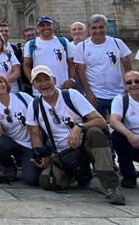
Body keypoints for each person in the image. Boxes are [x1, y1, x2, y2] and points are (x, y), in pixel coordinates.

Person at [26, 65, 126, 205]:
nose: (44, 84)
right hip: (62, 151)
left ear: (54, 80)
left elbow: (101, 121)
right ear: (34, 85)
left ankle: (111, 186)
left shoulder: (71, 95)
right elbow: (35, 134)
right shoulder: (34, 105)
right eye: (39, 81)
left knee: (95, 133)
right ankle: (78, 173)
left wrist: (79, 127)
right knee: (47, 182)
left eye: (46, 79)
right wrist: (41, 154)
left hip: (85, 145)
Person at [73, 14, 132, 118]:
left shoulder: (117, 43)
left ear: (106, 28)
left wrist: (128, 87)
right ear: (88, 30)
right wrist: (88, 92)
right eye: (94, 28)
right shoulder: (81, 47)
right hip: (96, 95)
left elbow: (128, 68)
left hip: (119, 93)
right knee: (99, 128)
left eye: (101, 27)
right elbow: (80, 72)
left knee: (122, 127)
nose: (98, 31)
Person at [0, 74, 37, 184]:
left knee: (31, 180)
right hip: (14, 143)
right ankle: (9, 167)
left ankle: (26, 160)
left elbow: (38, 112)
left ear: (6, 84)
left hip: (32, 142)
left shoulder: (23, 97)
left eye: (0, 81)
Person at [23, 17, 76, 92]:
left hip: (63, 87)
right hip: (42, 89)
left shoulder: (64, 42)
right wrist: (33, 82)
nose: (46, 27)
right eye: (42, 26)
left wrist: (72, 80)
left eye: (48, 25)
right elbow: (26, 66)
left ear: (53, 27)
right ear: (38, 28)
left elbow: (71, 63)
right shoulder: (30, 44)